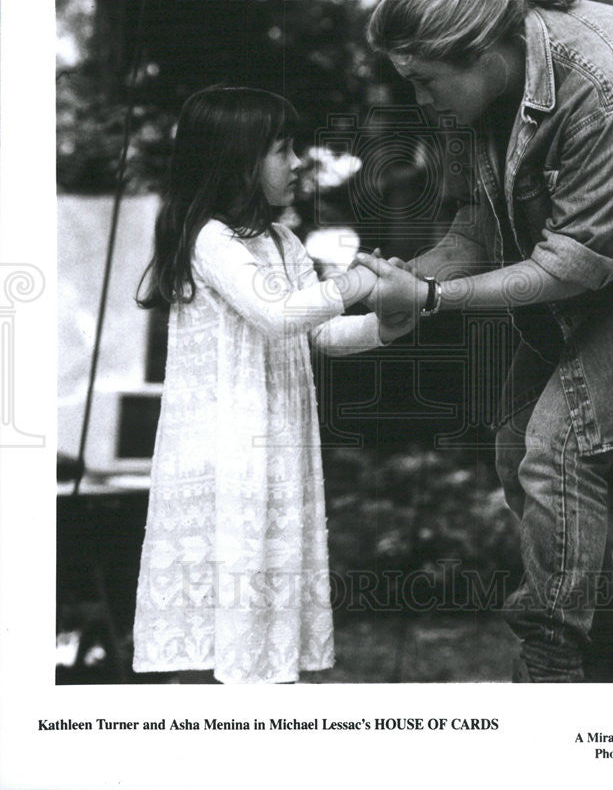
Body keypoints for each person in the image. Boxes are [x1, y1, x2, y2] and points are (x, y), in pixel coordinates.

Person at [358, 0, 613, 682]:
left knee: (559, 445)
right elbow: (476, 229)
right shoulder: (483, 95)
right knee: (515, 448)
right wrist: (399, 281)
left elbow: (573, 265)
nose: (417, 99)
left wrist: (431, 302)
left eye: (422, 80)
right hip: (605, 266)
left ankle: (551, 665)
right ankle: (599, 653)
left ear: (477, 50)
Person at [132, 86, 413, 684]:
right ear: (237, 158)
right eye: (281, 150)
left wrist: (384, 326)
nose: (295, 164)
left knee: (268, 627)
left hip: (276, 453)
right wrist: (357, 281)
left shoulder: (283, 242)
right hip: (223, 455)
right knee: (216, 632)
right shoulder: (208, 238)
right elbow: (279, 313)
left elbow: (315, 335)